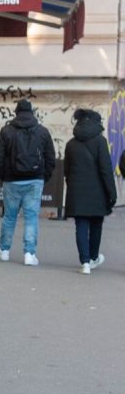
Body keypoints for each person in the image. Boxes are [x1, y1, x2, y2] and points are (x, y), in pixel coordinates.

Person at [0, 99, 56, 266]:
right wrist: (43, 176)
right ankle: (29, 254)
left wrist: (4, 176)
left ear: (16, 112)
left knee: (9, 217)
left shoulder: (6, 131)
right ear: (32, 112)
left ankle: (5, 251)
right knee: (31, 217)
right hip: (35, 180)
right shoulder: (42, 131)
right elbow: (51, 158)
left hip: (12, 180)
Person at [63, 108, 117, 275]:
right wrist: (111, 194)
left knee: (81, 225)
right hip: (97, 192)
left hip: (77, 192)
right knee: (96, 225)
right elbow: (106, 170)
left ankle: (85, 262)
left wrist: (72, 185)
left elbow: (67, 170)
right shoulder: (100, 142)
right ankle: (93, 257)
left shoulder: (71, 144)